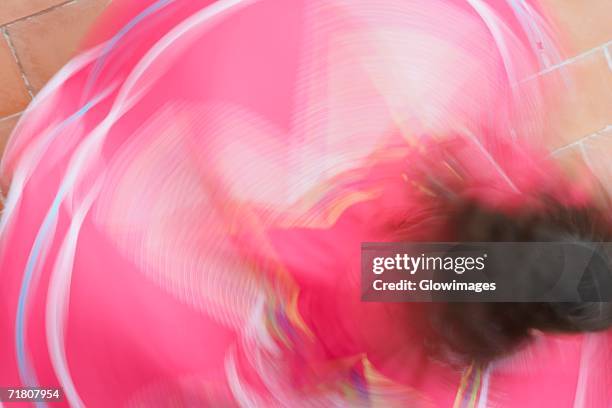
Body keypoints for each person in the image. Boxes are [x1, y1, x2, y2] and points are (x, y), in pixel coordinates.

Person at [1, 0, 610, 406]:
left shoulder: (513, 208)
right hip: (348, 283)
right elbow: (342, 274)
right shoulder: (437, 298)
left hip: (385, 222)